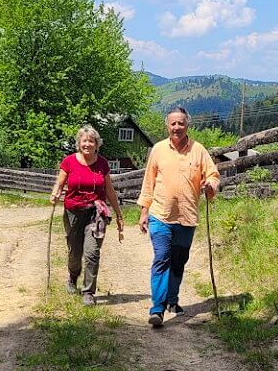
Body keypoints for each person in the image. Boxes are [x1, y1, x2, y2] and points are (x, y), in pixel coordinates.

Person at [137, 107, 220, 327]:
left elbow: (213, 175)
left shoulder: (198, 150)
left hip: (187, 217)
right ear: (167, 126)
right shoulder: (158, 149)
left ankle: (172, 299)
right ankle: (157, 309)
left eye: (181, 123)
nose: (177, 127)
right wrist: (144, 210)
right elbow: (149, 181)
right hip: (160, 215)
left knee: (178, 261)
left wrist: (210, 185)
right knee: (161, 259)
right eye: (173, 123)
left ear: (187, 125)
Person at [50, 125, 125, 306]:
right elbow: (60, 184)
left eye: (91, 141)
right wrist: (55, 194)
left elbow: (109, 190)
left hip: (96, 213)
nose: (88, 144)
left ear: (96, 144)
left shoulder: (102, 164)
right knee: (75, 253)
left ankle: (88, 292)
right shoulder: (69, 162)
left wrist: (119, 214)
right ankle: (72, 277)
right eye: (84, 140)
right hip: (73, 212)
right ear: (79, 143)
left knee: (92, 253)